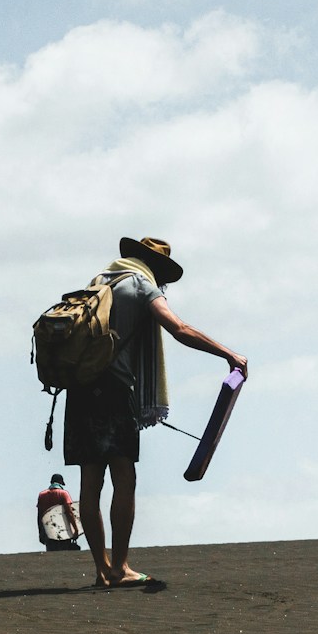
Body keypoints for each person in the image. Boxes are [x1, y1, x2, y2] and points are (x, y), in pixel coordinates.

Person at [65, 236, 247, 588]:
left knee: (90, 483)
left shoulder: (99, 281)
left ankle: (102, 569)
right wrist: (228, 354)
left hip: (80, 389)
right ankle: (121, 567)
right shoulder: (142, 284)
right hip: (114, 392)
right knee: (124, 478)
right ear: (157, 267)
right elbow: (179, 329)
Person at [36, 474, 84, 551]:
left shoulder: (42, 495)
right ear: (60, 482)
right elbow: (69, 513)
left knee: (51, 554)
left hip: (49, 531)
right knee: (65, 553)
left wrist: (40, 532)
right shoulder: (63, 493)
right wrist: (76, 530)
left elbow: (40, 516)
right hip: (63, 531)